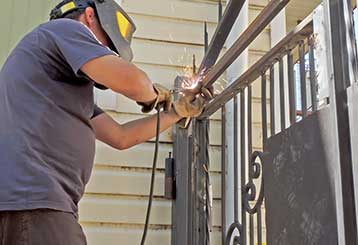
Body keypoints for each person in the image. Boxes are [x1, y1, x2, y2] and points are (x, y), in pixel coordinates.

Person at [0, 0, 207, 244]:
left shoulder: (55, 87)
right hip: (36, 204)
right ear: (90, 16)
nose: (107, 52)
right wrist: (160, 96)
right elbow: (135, 83)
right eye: (108, 45)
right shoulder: (65, 29)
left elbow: (121, 137)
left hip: (30, 204)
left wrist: (176, 113)